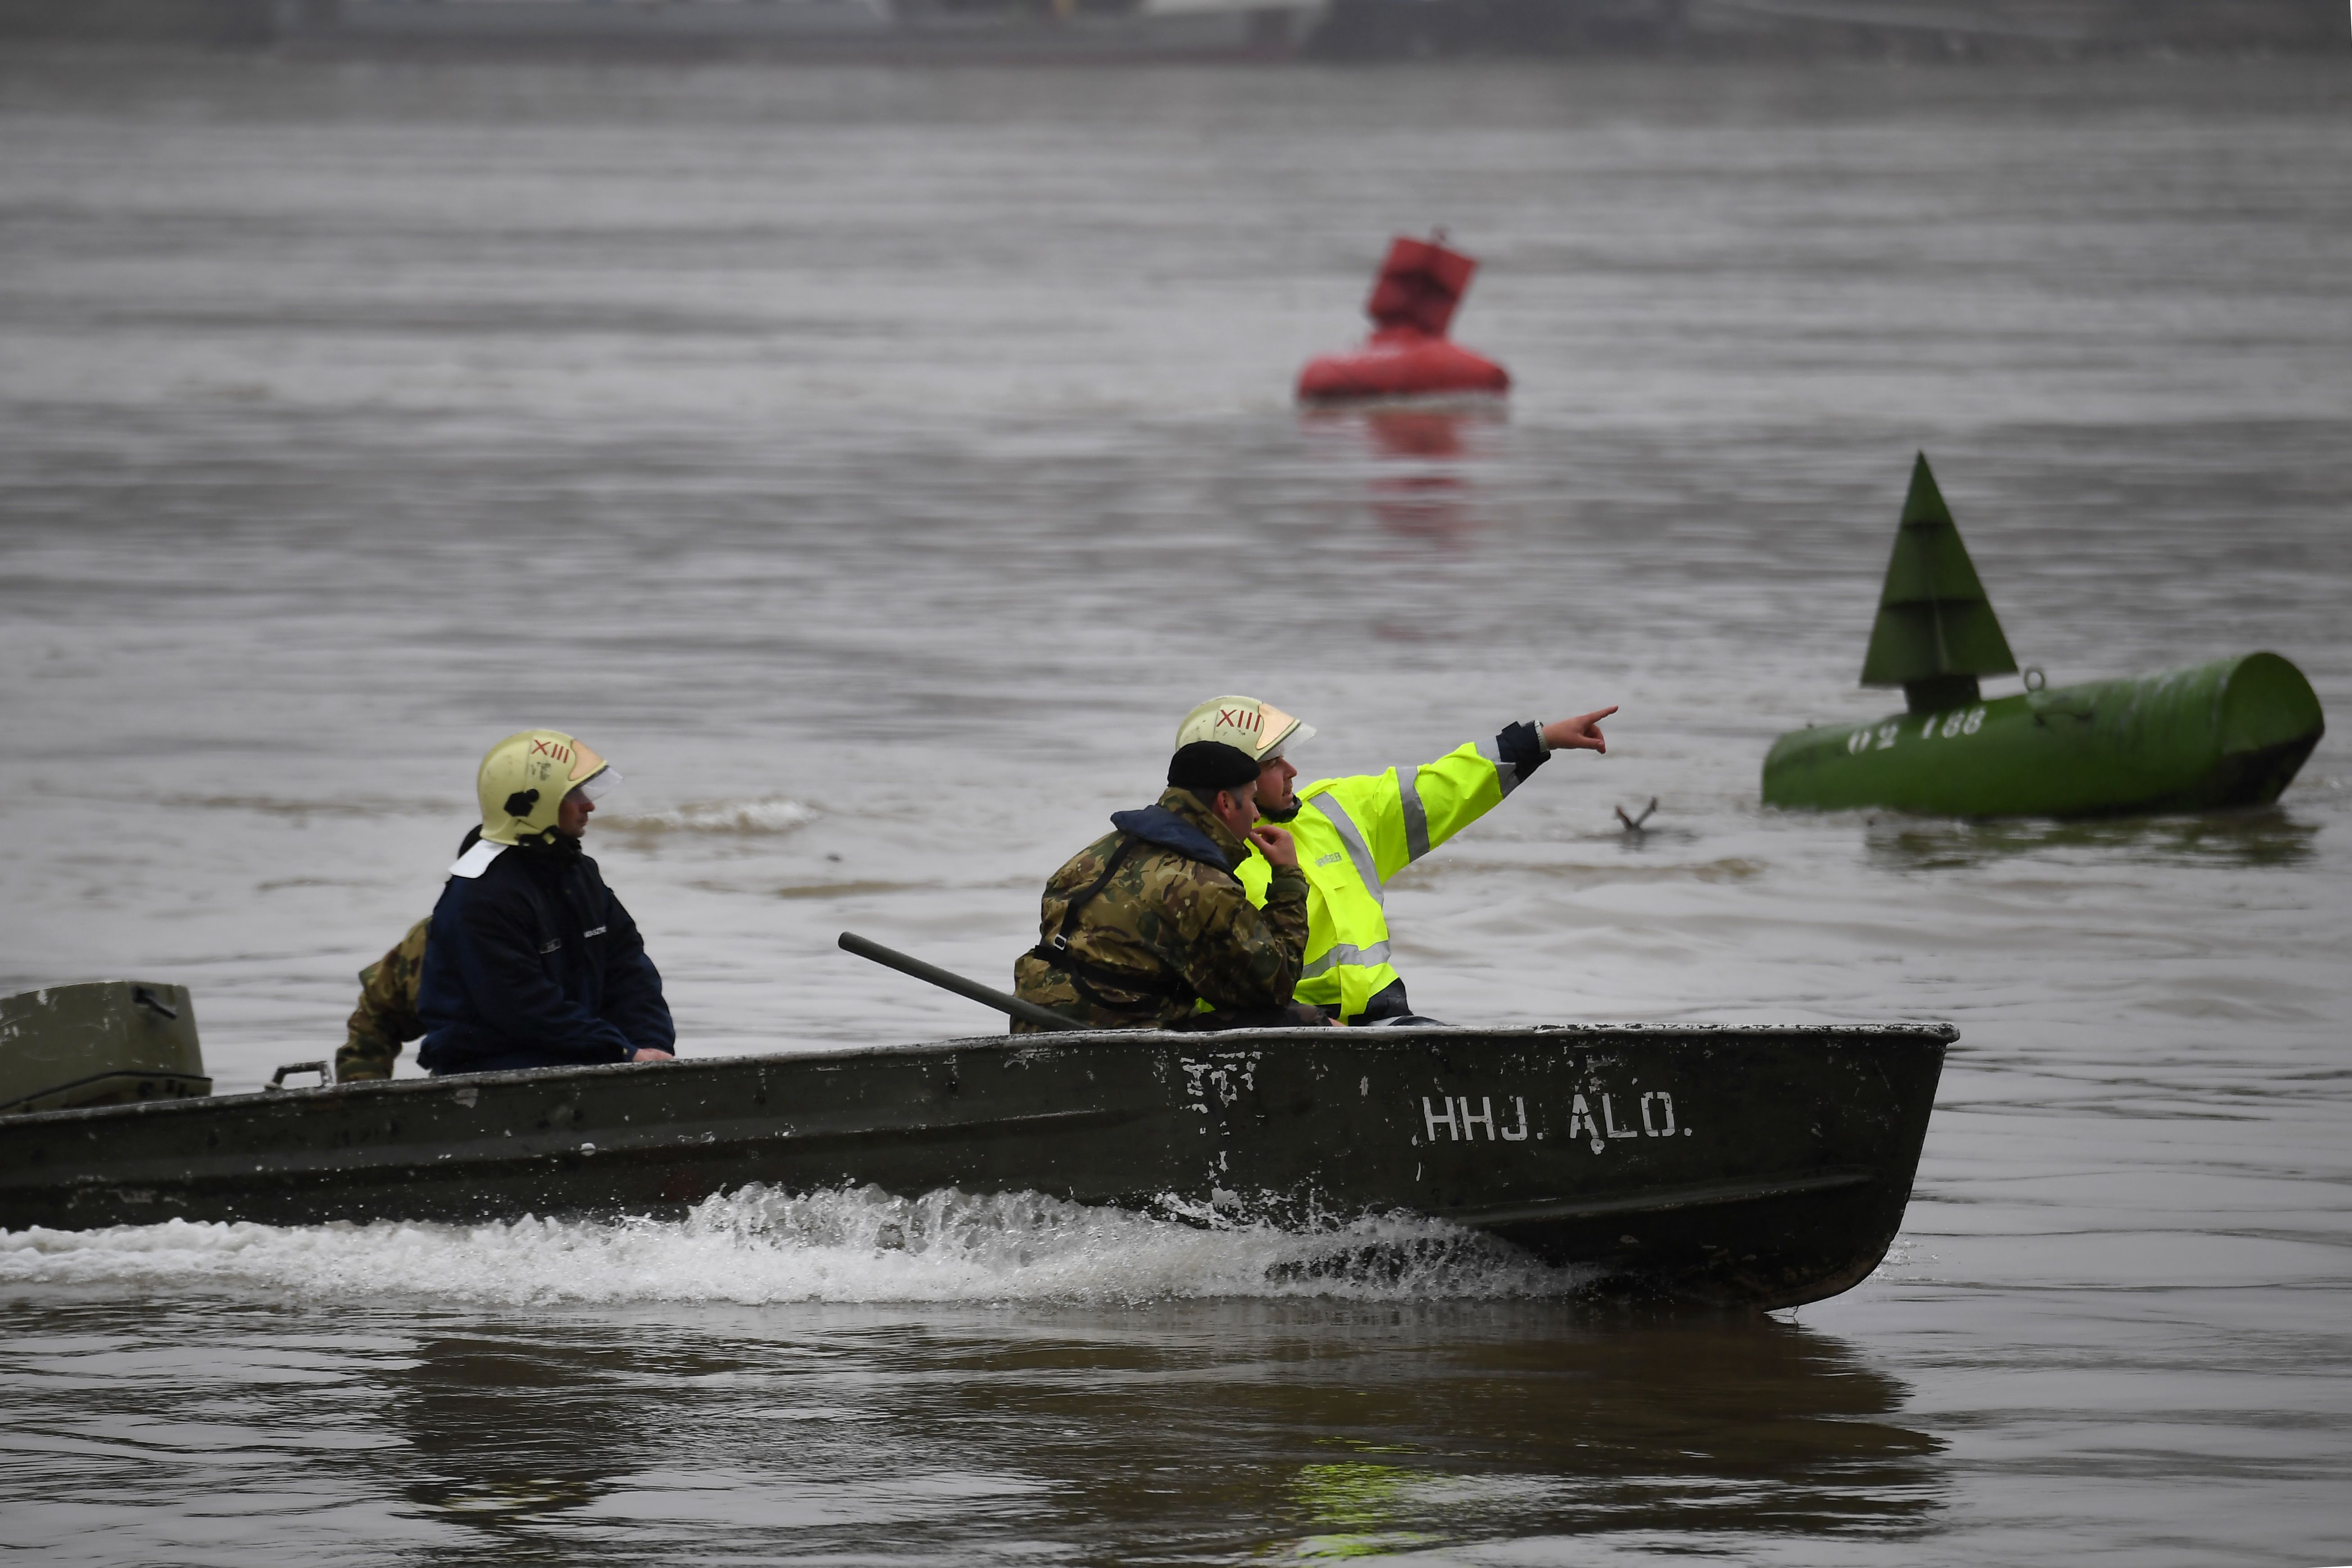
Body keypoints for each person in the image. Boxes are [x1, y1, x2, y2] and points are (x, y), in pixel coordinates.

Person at [1175, 695, 1616, 1025]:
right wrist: (1300, 1022)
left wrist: (1540, 740)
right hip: (1283, 1034)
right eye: (1273, 763)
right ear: (1227, 782)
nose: (1291, 771)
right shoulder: (1195, 864)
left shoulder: (1339, 810)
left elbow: (1443, 786)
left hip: (1382, 1023)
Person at [1013, 732, 1316, 1032]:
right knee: (1302, 1020)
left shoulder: (1094, 853)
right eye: (1251, 800)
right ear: (1225, 802)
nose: (1254, 814)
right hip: (1118, 1039)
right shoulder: (1202, 885)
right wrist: (1287, 877)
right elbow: (1275, 988)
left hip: (1033, 1023)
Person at [414, 731, 676, 1076]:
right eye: (574, 793)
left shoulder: (580, 873)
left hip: (581, 1058)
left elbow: (629, 968)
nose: (590, 805)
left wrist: (650, 1045)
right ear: (532, 803)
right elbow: (523, 1008)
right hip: (489, 1073)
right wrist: (620, 1051)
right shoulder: (479, 898)